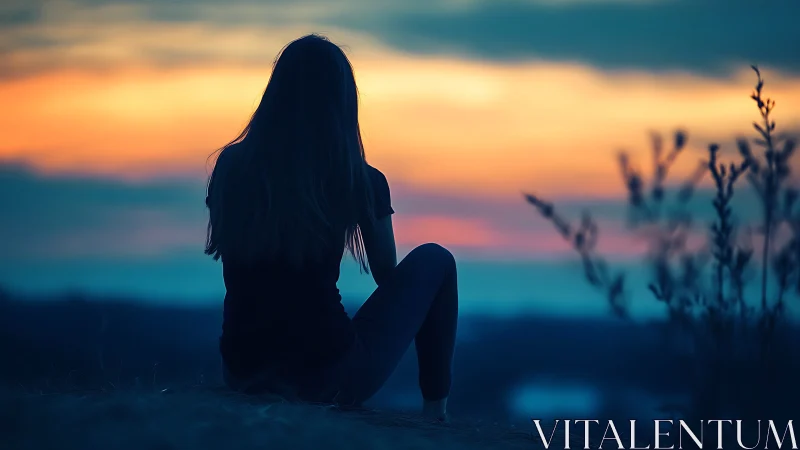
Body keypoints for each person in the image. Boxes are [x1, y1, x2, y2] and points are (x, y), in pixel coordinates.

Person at [204, 34, 458, 421]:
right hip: (327, 376)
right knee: (436, 260)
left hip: (243, 372)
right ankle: (436, 413)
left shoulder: (231, 167)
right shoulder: (358, 178)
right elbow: (387, 274)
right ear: (342, 102)